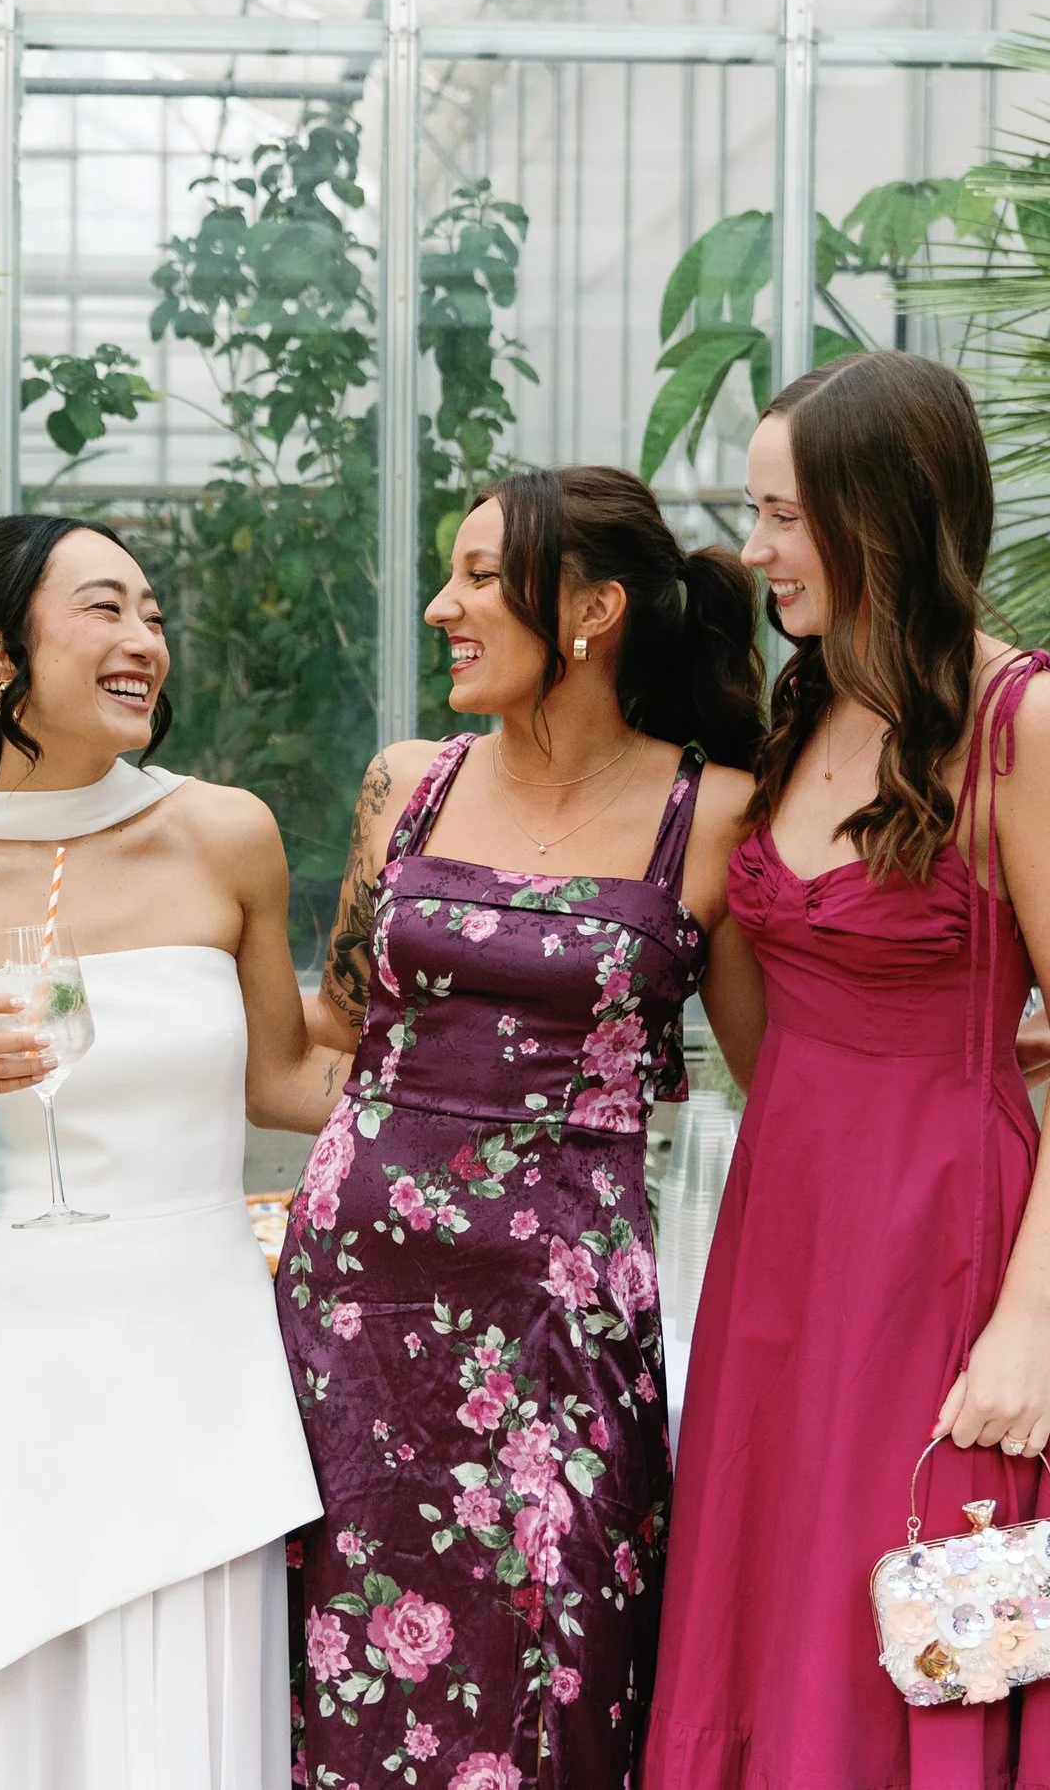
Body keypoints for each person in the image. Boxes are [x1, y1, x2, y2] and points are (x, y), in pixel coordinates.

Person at [647, 350, 1050, 1788]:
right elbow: (768, 1023)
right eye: (755, 511)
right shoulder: (795, 711)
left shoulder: (1020, 722)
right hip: (779, 1245)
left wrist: (1029, 1315)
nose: (757, 548)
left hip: (944, 1257)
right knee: (772, 1602)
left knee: (936, 1620)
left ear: (885, 515)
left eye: (786, 514)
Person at [0, 514, 335, 1789]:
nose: (142, 640)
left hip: (197, 1352)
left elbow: (284, 1079)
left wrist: (481, 1081)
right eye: (103, 608)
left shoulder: (229, 834)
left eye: (152, 614)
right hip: (4, 1356)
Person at [282, 466, 765, 1790]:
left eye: (481, 576)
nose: (444, 604)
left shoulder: (711, 815)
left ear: (594, 610)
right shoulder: (406, 785)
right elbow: (335, 1037)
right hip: (354, 1312)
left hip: (562, 1330)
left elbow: (778, 1078)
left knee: (559, 1653)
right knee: (343, 1662)